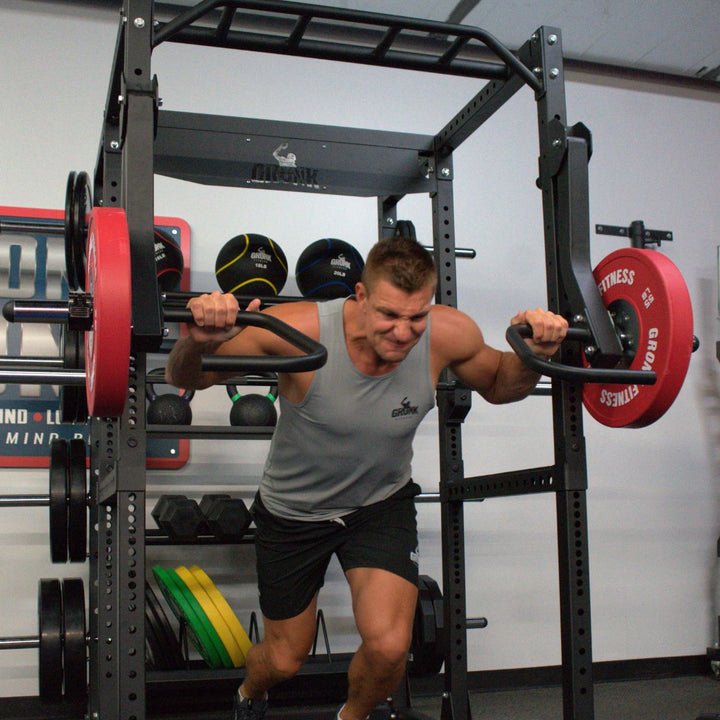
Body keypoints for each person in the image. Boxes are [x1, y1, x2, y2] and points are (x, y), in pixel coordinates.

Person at [165, 235, 568, 720]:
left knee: (391, 647)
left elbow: (503, 386)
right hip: (294, 513)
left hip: (378, 505)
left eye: (416, 317)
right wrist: (201, 343)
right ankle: (251, 693)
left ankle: (350, 717)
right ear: (359, 295)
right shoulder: (296, 329)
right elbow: (187, 376)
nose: (403, 333)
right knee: (284, 659)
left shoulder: (447, 334)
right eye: (389, 316)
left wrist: (532, 352)